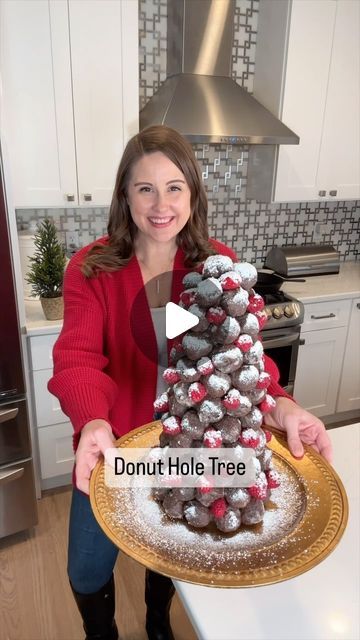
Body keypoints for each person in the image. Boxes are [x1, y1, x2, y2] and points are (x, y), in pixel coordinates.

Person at [48, 125, 332, 640]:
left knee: (173, 545)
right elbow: (77, 358)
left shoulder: (214, 266)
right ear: (124, 196)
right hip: (112, 448)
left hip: (191, 447)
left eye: (174, 186)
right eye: (145, 188)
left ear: (193, 193)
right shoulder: (90, 269)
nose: (161, 204)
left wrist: (283, 406)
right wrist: (91, 419)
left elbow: (240, 357)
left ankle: (158, 619)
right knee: (86, 571)